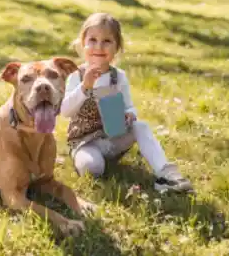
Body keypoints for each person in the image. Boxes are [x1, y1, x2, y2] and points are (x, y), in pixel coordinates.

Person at [60, 12, 193, 192]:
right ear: (83, 44)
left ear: (117, 48)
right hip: (85, 142)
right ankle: (92, 161)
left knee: (141, 126)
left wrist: (130, 114)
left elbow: (129, 106)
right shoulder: (77, 76)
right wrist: (85, 87)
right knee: (93, 168)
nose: (99, 46)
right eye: (92, 40)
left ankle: (167, 174)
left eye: (107, 41)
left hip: (113, 137)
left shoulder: (118, 77)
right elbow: (66, 111)